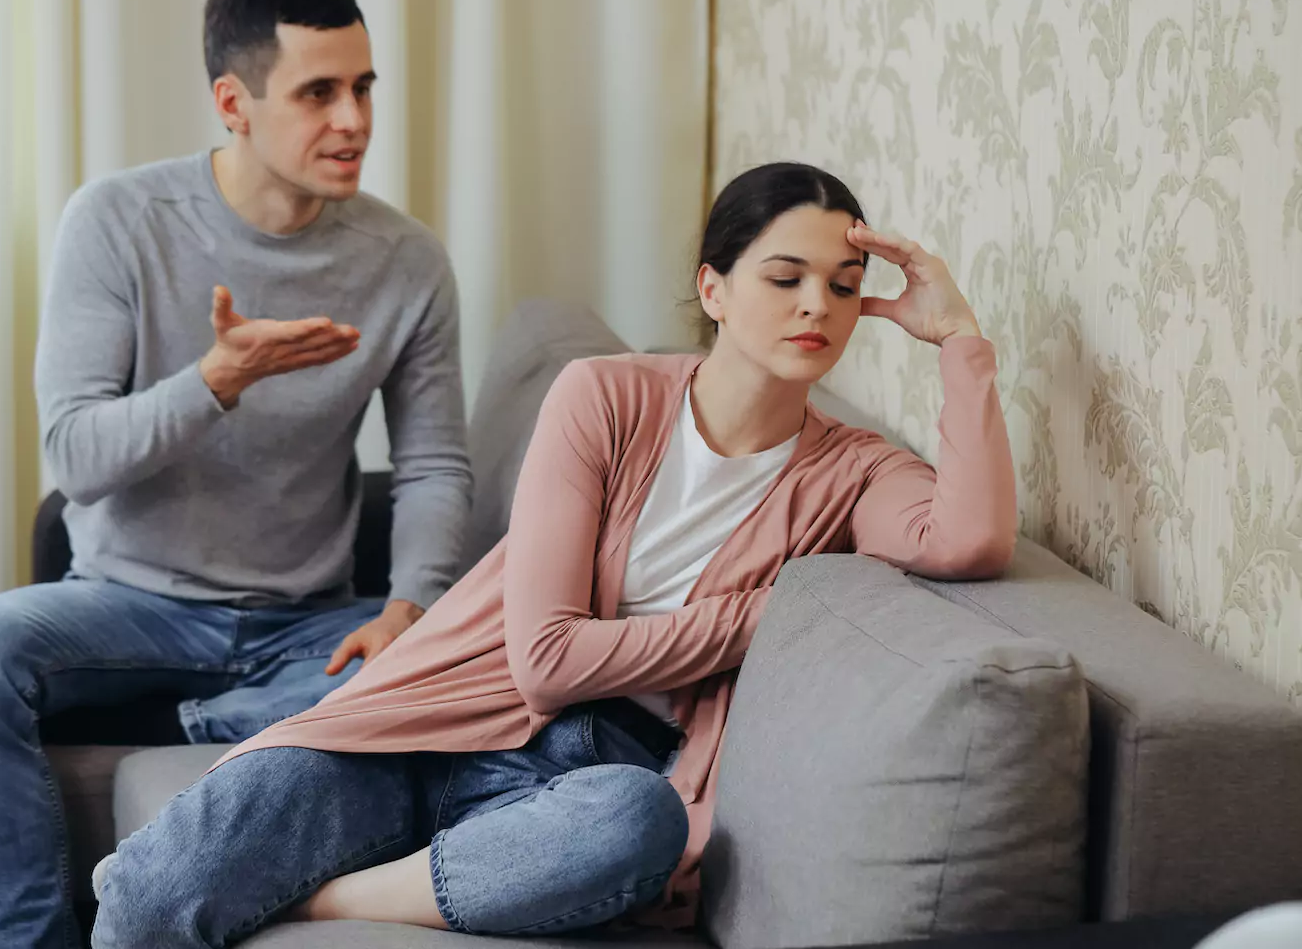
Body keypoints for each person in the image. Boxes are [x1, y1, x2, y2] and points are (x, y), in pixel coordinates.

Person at [91, 162, 1018, 948]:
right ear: (713, 289)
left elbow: (970, 537)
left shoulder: (854, 471)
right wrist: (753, 618)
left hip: (590, 778)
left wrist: (959, 341)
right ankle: (383, 854)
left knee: (637, 823)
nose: (819, 304)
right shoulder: (605, 398)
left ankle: (335, 895)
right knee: (147, 893)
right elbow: (545, 662)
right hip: (431, 727)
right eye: (785, 277)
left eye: (843, 286)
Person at [0, 0, 472, 949]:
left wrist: (409, 609)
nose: (353, 119)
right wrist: (213, 382)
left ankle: (230, 710)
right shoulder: (119, 221)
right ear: (235, 103)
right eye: (318, 92)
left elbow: (432, 464)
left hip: (307, 625)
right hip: (129, 605)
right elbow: (75, 454)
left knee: (458, 662)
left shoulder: (408, 259)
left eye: (363, 88)